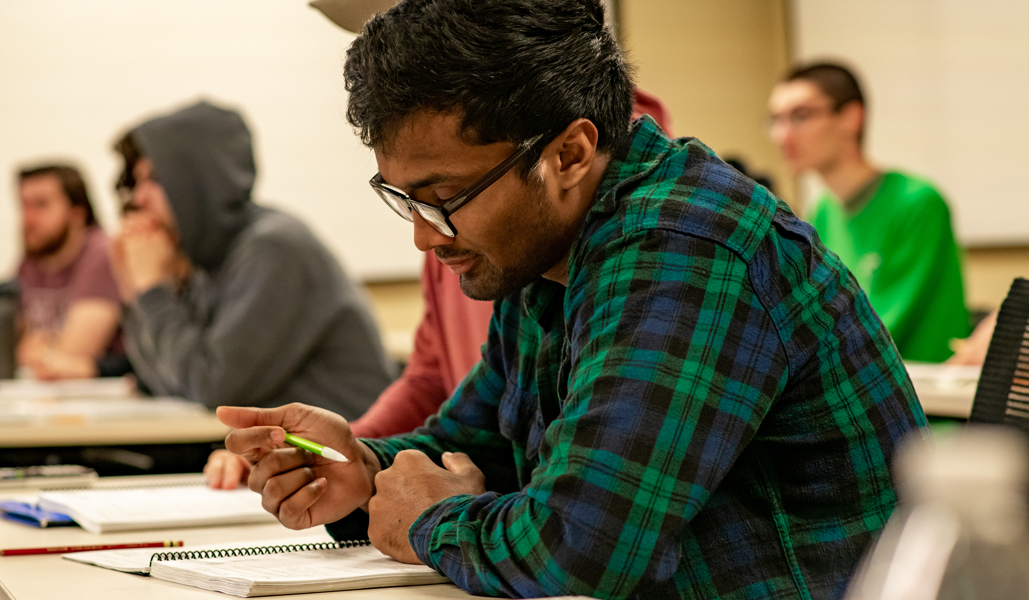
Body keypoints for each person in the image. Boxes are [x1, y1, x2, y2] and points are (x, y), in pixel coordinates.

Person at [219, 1, 926, 599]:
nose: (424, 240)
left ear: (569, 154)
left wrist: (431, 521)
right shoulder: (551, 253)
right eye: (403, 200)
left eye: (443, 200)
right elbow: (477, 445)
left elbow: (584, 545)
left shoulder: (685, 247)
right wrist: (363, 471)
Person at [111, 100, 393, 418]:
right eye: (137, 182)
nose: (138, 198)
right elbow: (158, 379)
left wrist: (151, 290)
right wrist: (134, 291)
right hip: (274, 448)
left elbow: (213, 389)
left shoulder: (273, 249)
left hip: (346, 451)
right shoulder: (208, 255)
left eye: (155, 180)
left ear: (199, 181)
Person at [769, 62, 970, 363]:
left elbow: (877, 331)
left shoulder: (916, 203)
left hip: (917, 401)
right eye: (775, 120)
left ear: (851, 118)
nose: (781, 136)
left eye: (800, 116)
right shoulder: (823, 211)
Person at [15, 164, 124, 380]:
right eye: (23, 206)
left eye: (41, 205)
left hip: (105, 397)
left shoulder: (103, 255)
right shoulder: (33, 258)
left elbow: (72, 356)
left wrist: (41, 348)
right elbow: (4, 347)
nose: (28, 220)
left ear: (78, 213)